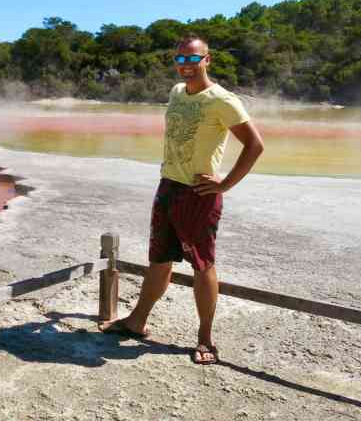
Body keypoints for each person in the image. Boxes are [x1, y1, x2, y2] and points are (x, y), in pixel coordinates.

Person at [101, 35, 264, 364]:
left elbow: (255, 146)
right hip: (168, 187)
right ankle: (137, 321)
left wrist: (225, 184)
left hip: (198, 194)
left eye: (193, 60)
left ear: (207, 60)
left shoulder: (223, 100)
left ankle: (205, 339)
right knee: (159, 260)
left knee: (202, 266)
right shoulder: (176, 93)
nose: (186, 66)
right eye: (180, 60)